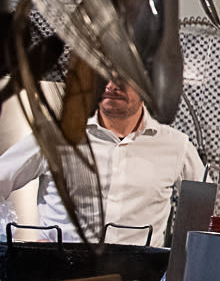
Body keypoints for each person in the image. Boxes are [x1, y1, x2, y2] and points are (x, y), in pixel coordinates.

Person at [0, 79, 202, 246]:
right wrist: (9, 245)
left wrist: (180, 264)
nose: (111, 85)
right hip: (58, 277)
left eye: (123, 77)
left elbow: (204, 213)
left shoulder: (176, 145)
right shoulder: (56, 135)